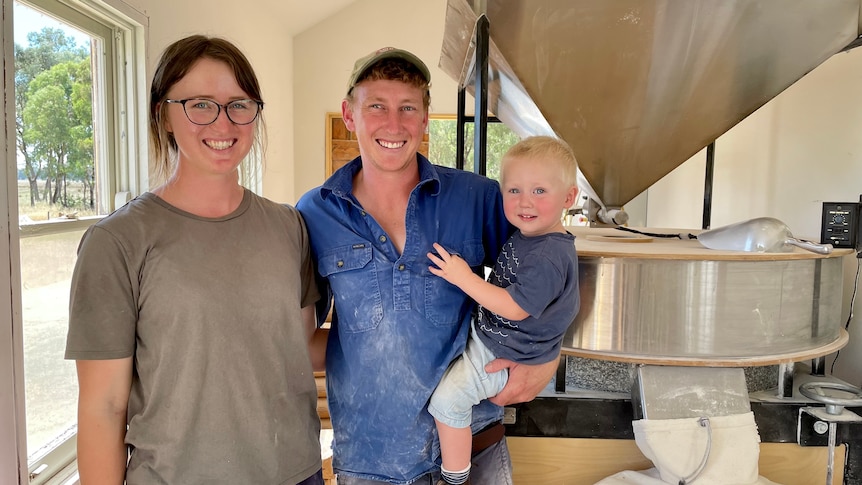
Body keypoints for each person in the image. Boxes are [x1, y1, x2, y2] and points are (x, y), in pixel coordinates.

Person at [65, 35, 324, 485]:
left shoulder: (289, 227)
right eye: (200, 104)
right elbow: (104, 408)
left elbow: (298, 348)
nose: (223, 123)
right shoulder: (117, 242)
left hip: (294, 473)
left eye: (239, 104)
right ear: (163, 114)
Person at [296, 47, 561, 485]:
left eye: (408, 108)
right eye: (377, 106)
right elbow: (305, 340)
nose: (393, 124)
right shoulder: (315, 213)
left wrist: (545, 359)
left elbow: (549, 269)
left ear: (424, 118)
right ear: (349, 114)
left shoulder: (477, 198)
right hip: (371, 459)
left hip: (475, 443)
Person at [426, 135, 581, 485]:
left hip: (504, 352)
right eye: (514, 191)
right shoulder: (531, 235)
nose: (525, 202)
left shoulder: (548, 256)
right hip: (495, 336)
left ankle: (455, 474)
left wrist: (462, 276)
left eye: (539, 191)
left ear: (568, 198)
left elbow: (513, 308)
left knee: (448, 402)